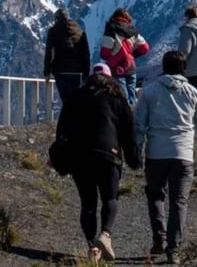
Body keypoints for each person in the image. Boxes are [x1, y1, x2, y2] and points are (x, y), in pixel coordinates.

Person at [54, 62, 140, 263]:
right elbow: (129, 132)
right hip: (108, 155)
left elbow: (62, 131)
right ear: (110, 78)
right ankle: (105, 235)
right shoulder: (117, 98)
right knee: (110, 198)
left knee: (88, 203)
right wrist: (134, 159)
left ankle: (93, 247)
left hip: (79, 157)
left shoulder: (75, 97)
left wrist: (60, 157)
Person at [134, 50, 197, 264]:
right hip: (183, 155)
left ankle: (159, 239)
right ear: (184, 69)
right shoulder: (193, 93)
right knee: (179, 201)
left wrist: (137, 153)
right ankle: (174, 249)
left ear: (163, 67)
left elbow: (139, 125)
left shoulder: (149, 92)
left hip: (156, 153)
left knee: (155, 196)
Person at [100, 7, 150, 101]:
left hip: (117, 68)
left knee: (122, 96)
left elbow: (105, 52)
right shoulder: (133, 31)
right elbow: (145, 48)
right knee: (132, 95)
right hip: (131, 67)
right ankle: (133, 113)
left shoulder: (111, 29)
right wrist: (132, 55)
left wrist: (111, 58)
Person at [44, 8, 92, 106]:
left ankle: (68, 120)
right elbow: (86, 54)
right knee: (77, 100)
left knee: (66, 101)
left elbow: (49, 52)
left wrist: (47, 72)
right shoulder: (80, 33)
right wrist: (86, 74)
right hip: (78, 72)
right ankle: (76, 120)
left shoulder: (53, 31)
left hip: (61, 71)